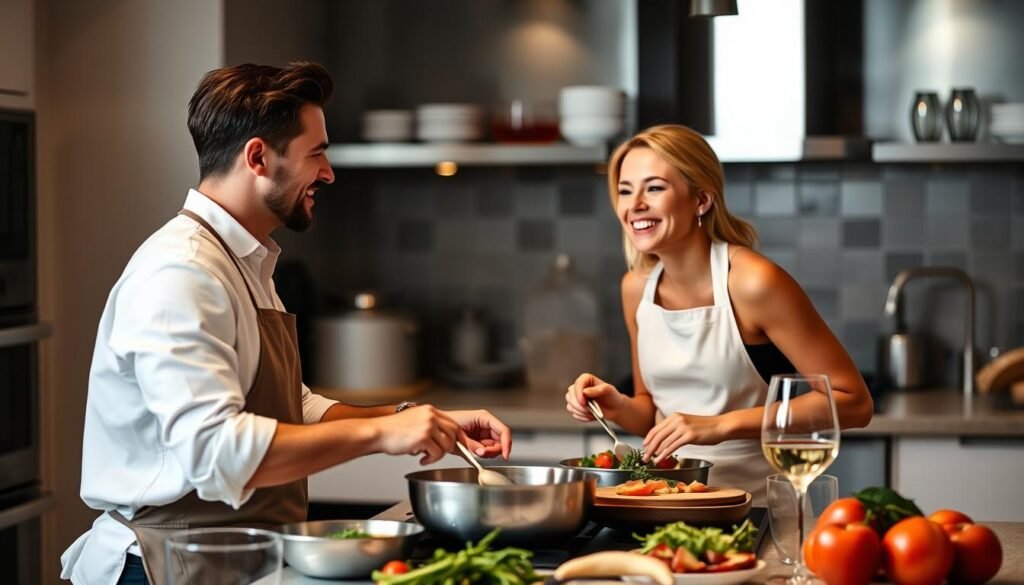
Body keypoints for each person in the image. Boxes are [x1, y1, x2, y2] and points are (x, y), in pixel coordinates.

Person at [60, 62, 512, 585]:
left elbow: (290, 406)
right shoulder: (180, 272)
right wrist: (383, 434)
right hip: (163, 567)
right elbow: (219, 452)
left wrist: (417, 415)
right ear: (258, 157)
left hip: (228, 559)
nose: (329, 172)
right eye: (316, 152)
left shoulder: (244, 262)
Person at [565, 125, 873, 504]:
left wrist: (721, 425)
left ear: (702, 200)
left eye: (654, 188)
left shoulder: (754, 283)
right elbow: (651, 414)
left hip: (757, 511)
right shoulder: (636, 288)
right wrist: (617, 405)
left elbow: (854, 402)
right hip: (666, 506)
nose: (634, 205)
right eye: (625, 190)